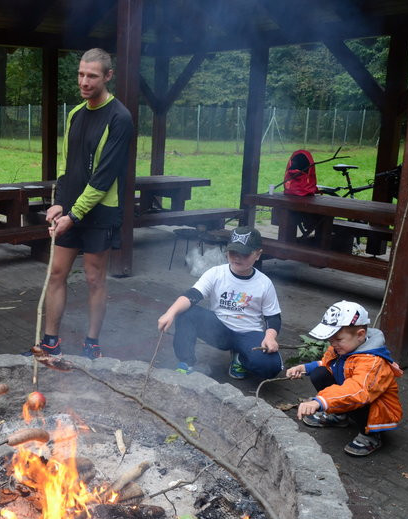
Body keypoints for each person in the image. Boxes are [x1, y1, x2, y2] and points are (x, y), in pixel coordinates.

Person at [41, 48, 134, 359]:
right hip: (72, 210)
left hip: (101, 211)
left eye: (92, 76)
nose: (84, 81)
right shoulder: (75, 114)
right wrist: (59, 204)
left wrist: (74, 215)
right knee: (57, 272)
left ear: (107, 77)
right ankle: (49, 342)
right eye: (81, 74)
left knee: (95, 277)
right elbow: (69, 166)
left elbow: (103, 177)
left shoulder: (119, 117)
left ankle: (91, 344)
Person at [157, 226, 283, 379]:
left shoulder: (264, 283)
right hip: (219, 330)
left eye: (244, 253)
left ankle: (241, 358)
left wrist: (269, 337)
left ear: (258, 254)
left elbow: (273, 317)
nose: (237, 257)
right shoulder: (216, 273)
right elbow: (192, 295)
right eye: (233, 252)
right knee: (185, 313)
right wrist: (170, 313)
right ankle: (186, 362)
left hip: (248, 333)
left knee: (271, 367)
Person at [287, 300, 403, 457]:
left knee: (359, 398)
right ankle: (339, 415)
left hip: (374, 407)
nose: (333, 344)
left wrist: (320, 401)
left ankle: (370, 435)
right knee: (319, 373)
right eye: (330, 340)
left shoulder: (373, 361)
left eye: (338, 339)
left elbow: (358, 390)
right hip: (352, 395)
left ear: (360, 335)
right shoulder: (342, 347)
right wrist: (305, 368)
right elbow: (329, 364)